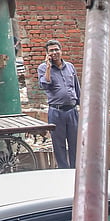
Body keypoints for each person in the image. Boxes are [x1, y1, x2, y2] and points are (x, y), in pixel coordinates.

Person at [37, 40, 80, 169]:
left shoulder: (70, 67)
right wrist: (49, 68)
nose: (54, 52)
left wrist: (82, 106)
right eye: (51, 51)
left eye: (56, 49)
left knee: (75, 143)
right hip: (56, 112)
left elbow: (77, 87)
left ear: (61, 51)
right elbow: (44, 84)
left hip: (72, 111)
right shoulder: (43, 68)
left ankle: (75, 170)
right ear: (47, 54)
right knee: (59, 145)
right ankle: (64, 171)